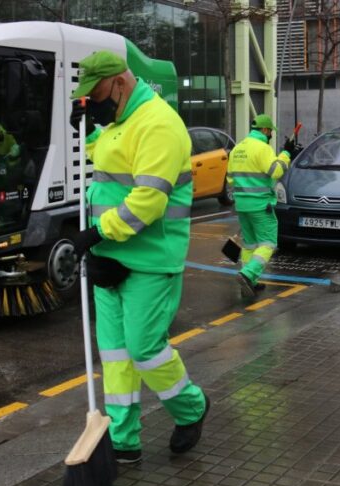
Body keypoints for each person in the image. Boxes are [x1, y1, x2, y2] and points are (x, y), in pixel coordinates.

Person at [68, 51, 209, 464]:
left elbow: (148, 201)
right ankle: (123, 439)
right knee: (115, 355)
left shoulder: (159, 124)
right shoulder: (119, 123)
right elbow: (114, 162)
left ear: (119, 83)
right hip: (109, 256)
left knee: (145, 349)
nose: (94, 103)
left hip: (149, 260)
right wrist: (90, 135)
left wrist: (96, 233)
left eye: (96, 95)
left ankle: (192, 408)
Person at [223, 115, 296, 297]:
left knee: (249, 245)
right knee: (268, 243)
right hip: (260, 205)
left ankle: (251, 282)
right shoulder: (263, 149)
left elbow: (230, 178)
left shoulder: (237, 149)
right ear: (264, 130)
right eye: (270, 131)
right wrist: (286, 154)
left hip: (242, 205)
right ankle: (248, 274)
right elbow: (276, 171)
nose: (271, 134)